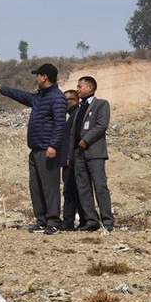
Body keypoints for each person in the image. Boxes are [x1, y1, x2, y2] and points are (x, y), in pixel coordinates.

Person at [0, 63, 67, 235]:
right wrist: (3, 89)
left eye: (37, 75)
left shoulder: (57, 98)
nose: (36, 78)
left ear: (44, 77)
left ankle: (53, 222)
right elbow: (22, 96)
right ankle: (41, 221)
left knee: (50, 187)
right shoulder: (40, 97)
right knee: (36, 187)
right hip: (35, 149)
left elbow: (60, 124)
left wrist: (53, 145)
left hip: (48, 150)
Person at [70, 76, 114, 231]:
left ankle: (107, 222)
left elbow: (101, 125)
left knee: (100, 187)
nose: (77, 89)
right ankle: (91, 221)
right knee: (83, 188)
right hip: (79, 154)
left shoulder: (101, 104)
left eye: (80, 86)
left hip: (94, 153)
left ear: (90, 88)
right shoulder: (78, 108)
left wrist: (86, 140)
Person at [62, 89, 86, 231]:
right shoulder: (73, 115)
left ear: (73, 101)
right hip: (71, 158)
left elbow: (73, 139)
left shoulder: (76, 115)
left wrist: (68, 158)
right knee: (73, 190)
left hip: (73, 159)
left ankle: (70, 221)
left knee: (72, 190)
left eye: (65, 101)